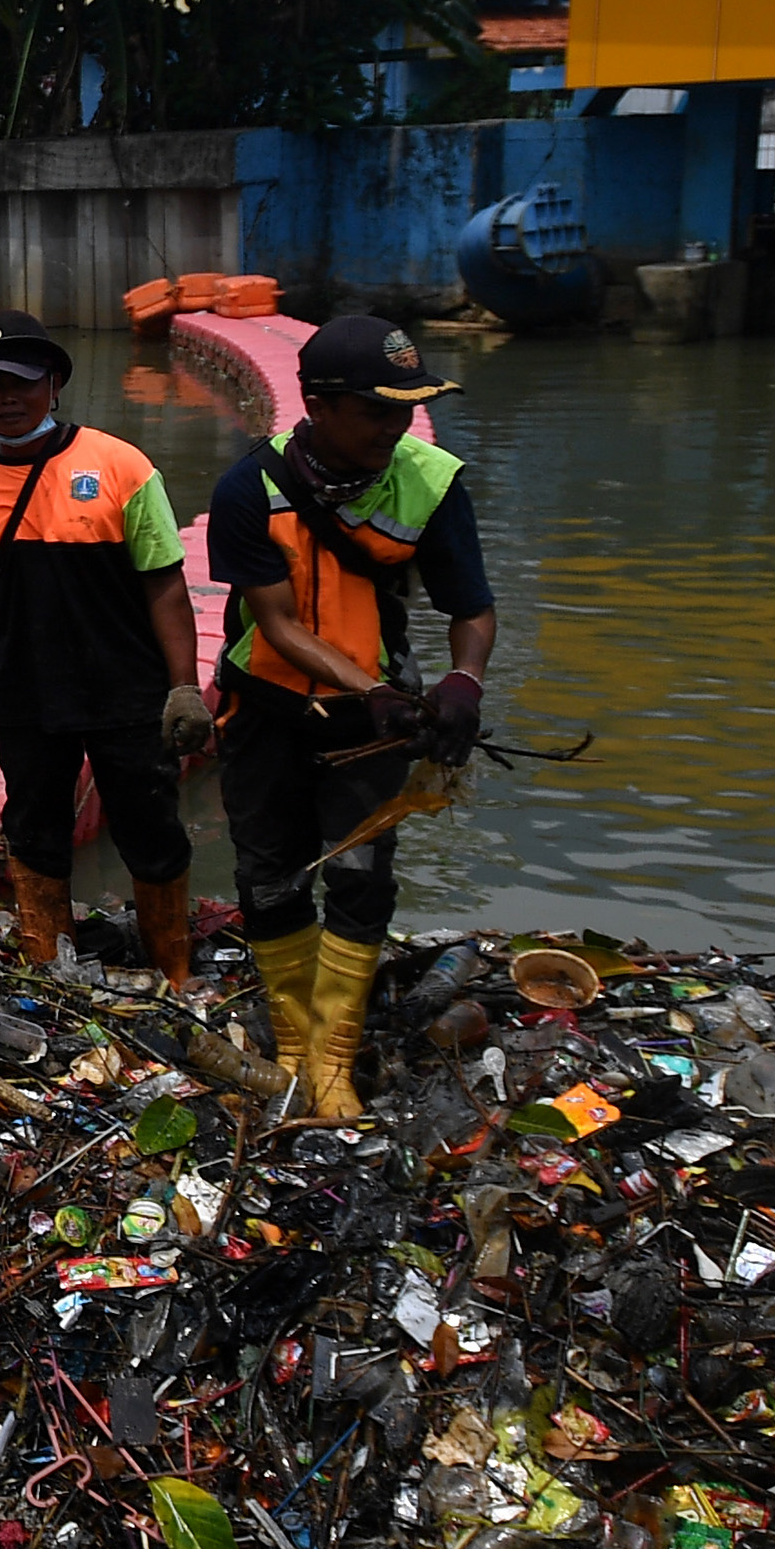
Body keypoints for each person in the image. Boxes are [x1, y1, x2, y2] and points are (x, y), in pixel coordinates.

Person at [205, 315, 498, 1121]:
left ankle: (334, 1050)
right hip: (267, 705)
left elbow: (470, 606)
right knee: (268, 872)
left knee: (360, 873)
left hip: (378, 715)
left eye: (407, 409)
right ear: (318, 405)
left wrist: (464, 680)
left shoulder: (431, 482)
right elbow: (278, 625)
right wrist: (366, 687)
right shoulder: (248, 489)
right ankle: (293, 1036)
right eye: (377, 410)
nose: (396, 427)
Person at [0, 312, 210, 985]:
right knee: (34, 828)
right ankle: (49, 959)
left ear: (55, 384)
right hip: (24, 695)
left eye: (21, 383)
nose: (6, 400)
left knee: (150, 828)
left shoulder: (120, 467)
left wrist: (184, 686)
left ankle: (175, 968)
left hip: (126, 691)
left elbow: (165, 585)